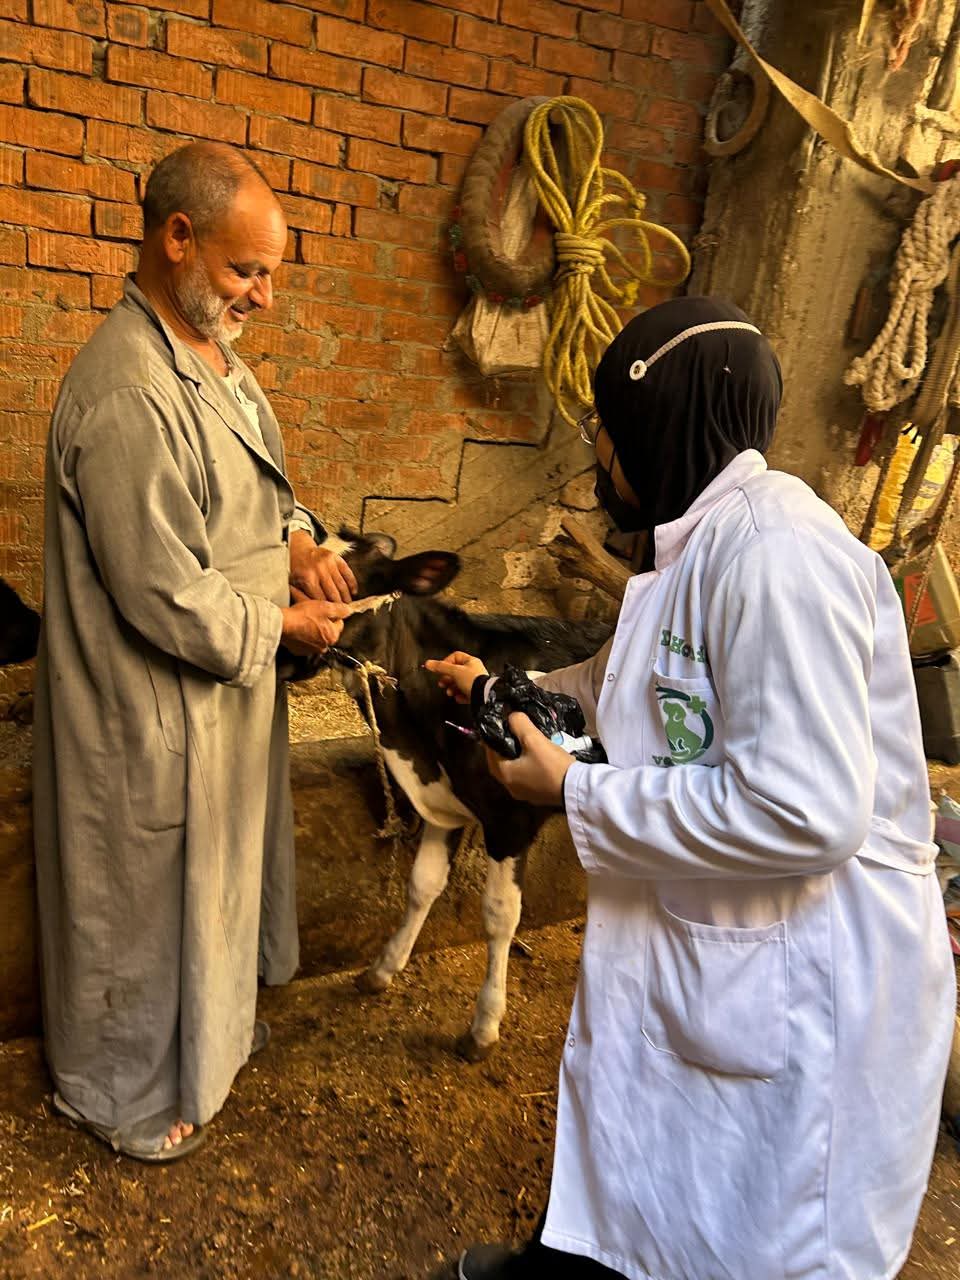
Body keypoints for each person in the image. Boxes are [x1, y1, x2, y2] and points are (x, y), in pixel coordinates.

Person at [427, 296, 957, 1280]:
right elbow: (628, 684)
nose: (599, 455)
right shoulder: (693, 549)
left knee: (759, 1225)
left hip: (808, 974)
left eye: (605, 427)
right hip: (726, 950)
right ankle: (580, 1258)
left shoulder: (777, 553)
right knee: (666, 1167)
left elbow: (808, 808)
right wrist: (502, 688)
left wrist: (571, 790)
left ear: (656, 421)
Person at [33, 142, 356, 1162]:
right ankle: (124, 1091)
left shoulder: (214, 360)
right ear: (177, 237)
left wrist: (300, 545)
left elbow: (259, 491)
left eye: (270, 273)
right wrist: (283, 626)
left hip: (218, 704)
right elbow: (162, 589)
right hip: (149, 711)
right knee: (140, 900)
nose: (264, 295)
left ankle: (205, 1046)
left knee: (212, 882)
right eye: (246, 270)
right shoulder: (128, 391)